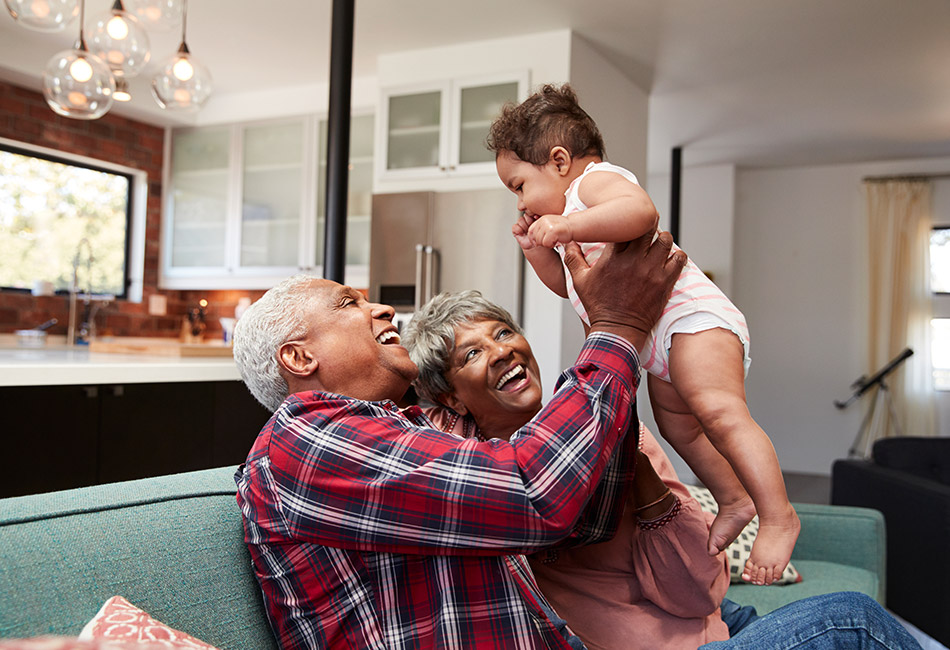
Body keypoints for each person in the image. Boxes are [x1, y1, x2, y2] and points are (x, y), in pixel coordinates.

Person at [231, 231, 686, 649]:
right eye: (349, 304)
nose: (384, 310)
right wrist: (616, 330)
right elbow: (534, 494)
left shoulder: (399, 428)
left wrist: (609, 335)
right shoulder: (307, 439)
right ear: (299, 356)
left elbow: (582, 521)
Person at [403, 289, 922, 650]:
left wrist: (638, 473)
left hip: (710, 619)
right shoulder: (471, 471)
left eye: (503, 332)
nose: (501, 351)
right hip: (659, 642)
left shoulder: (602, 426)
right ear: (451, 395)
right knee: (852, 620)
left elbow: (701, 592)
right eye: (473, 352)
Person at [487, 82, 798, 585]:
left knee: (719, 412)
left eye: (519, 184)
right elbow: (568, 288)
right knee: (682, 428)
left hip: (690, 319)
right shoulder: (570, 216)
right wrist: (536, 250)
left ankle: (779, 516)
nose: (519, 199)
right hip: (656, 340)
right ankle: (734, 498)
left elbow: (642, 213)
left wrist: (566, 227)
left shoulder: (592, 185)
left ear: (560, 161)